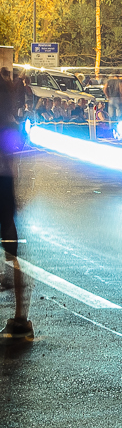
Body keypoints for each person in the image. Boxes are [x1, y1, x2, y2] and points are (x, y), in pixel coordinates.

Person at [0, 66, 32, 341]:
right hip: (5, 185)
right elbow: (13, 161)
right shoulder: (9, 124)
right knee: (12, 251)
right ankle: (21, 316)